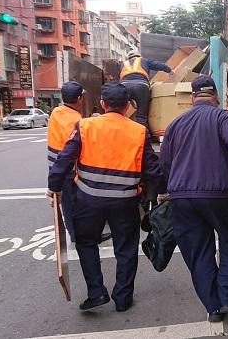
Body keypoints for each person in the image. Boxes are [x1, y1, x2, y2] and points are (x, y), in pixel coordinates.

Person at [46, 82, 163, 312]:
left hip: (89, 201)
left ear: (102, 104)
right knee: (126, 248)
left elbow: (64, 159)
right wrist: (163, 191)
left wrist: (54, 187)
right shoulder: (139, 131)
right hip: (125, 203)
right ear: (128, 106)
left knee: (86, 243)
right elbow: (153, 168)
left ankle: (96, 292)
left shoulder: (85, 126)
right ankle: (122, 297)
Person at [159, 75, 228, 322]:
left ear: (192, 98)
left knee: (198, 251)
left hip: (182, 197)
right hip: (219, 195)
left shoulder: (175, 124)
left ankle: (213, 307)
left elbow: (165, 164)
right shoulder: (224, 117)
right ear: (215, 97)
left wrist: (171, 189)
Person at [46, 81, 111, 243]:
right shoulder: (76, 120)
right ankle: (81, 235)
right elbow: (80, 135)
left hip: (56, 167)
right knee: (77, 204)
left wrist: (89, 120)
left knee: (68, 204)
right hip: (69, 169)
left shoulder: (56, 112)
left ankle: (75, 233)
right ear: (79, 98)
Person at [120, 49, 175, 126]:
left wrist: (132, 102)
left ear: (129, 58)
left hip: (124, 86)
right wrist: (170, 71)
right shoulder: (144, 61)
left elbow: (129, 87)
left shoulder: (123, 64)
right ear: (139, 56)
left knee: (120, 113)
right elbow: (159, 65)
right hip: (141, 86)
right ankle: (141, 133)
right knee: (141, 115)